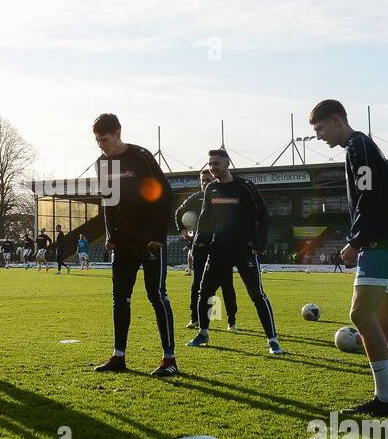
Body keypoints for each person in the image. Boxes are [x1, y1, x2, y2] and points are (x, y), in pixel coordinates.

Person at [310, 99, 388, 417]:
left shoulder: (357, 147)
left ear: (336, 120)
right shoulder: (363, 145)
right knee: (382, 318)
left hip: (379, 244)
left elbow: (368, 198)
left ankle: (385, 399)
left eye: (319, 129)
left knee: (360, 315)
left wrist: (357, 241)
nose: (319, 136)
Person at [90, 113, 178, 377]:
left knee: (156, 296)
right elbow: (108, 202)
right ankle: (119, 357)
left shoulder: (141, 156)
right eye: (96, 141)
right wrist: (110, 235)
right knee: (120, 299)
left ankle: (169, 359)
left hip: (150, 241)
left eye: (104, 139)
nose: (101, 145)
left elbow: (165, 195)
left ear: (117, 132)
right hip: (123, 243)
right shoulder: (102, 163)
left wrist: (158, 236)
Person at [187, 150, 281, 355]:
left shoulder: (245, 187)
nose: (213, 167)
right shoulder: (211, 189)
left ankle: (272, 340)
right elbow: (205, 219)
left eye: (217, 163)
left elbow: (263, 215)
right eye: (210, 164)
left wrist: (259, 243)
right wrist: (196, 246)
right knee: (205, 293)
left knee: (257, 295)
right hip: (218, 249)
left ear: (227, 162)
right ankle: (203, 333)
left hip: (244, 249)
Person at [176, 167, 238, 331]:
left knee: (225, 284)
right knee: (198, 284)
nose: (205, 183)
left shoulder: (224, 198)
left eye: (208, 180)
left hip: (221, 249)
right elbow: (178, 212)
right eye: (202, 180)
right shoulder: (194, 198)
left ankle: (231, 320)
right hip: (200, 249)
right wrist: (183, 230)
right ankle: (195, 318)